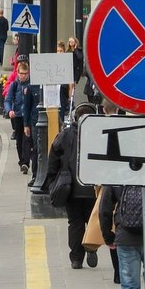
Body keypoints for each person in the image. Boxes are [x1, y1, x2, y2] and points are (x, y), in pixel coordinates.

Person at [47, 103, 100, 269]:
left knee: (75, 222)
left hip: (71, 187)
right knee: (91, 220)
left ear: (75, 117)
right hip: (93, 188)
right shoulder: (98, 134)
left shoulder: (66, 134)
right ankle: (91, 247)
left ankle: (76, 258)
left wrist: (52, 178)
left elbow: (54, 154)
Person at [100, 184, 145, 289]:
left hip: (126, 237)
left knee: (130, 286)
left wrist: (108, 236)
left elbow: (105, 208)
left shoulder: (118, 169)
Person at [4, 61, 40, 176]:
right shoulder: (15, 85)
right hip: (18, 115)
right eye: (21, 73)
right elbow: (8, 99)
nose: (23, 76)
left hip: (28, 116)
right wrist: (10, 110)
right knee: (19, 140)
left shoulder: (31, 86)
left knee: (28, 139)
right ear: (18, 73)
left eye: (25, 73)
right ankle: (22, 161)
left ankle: (25, 162)